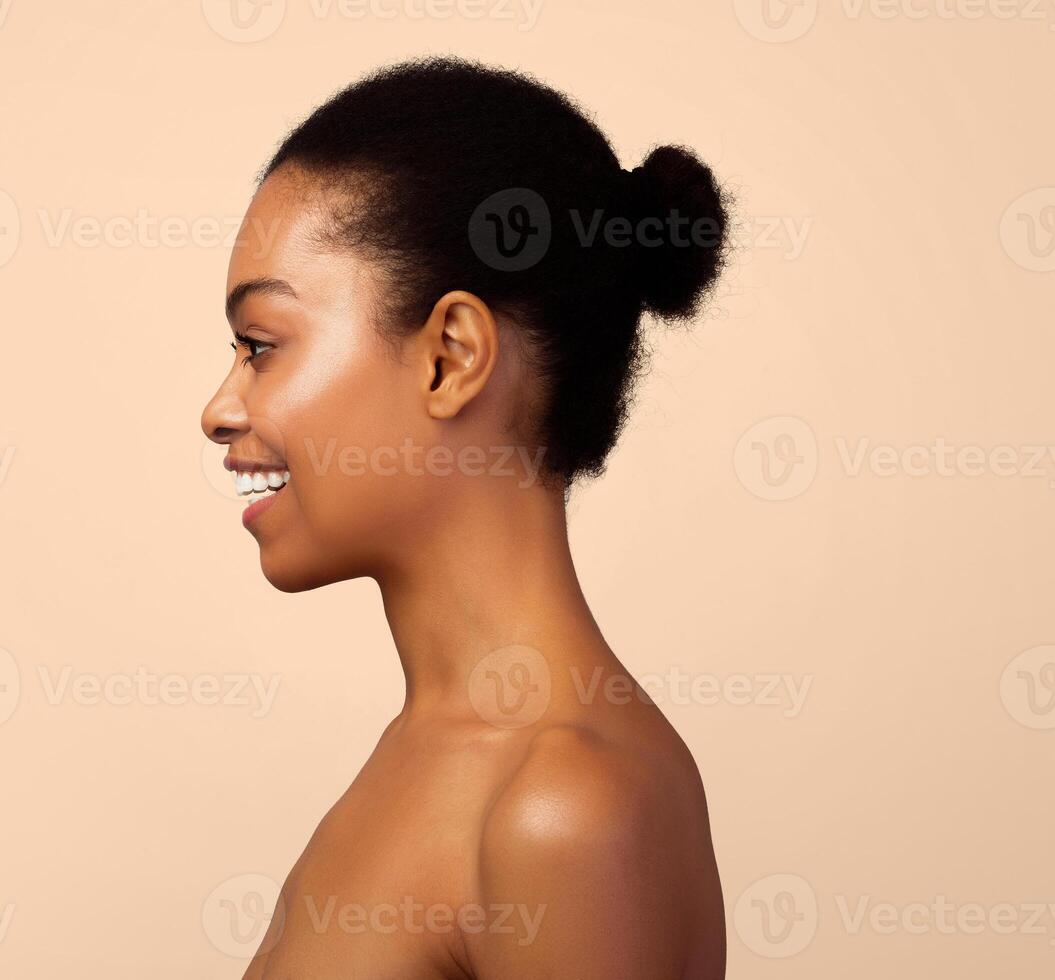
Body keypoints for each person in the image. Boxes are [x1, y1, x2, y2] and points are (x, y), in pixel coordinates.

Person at [200, 57, 730, 979]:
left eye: (261, 347)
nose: (219, 408)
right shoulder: (430, 754)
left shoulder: (564, 807)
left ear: (448, 357)